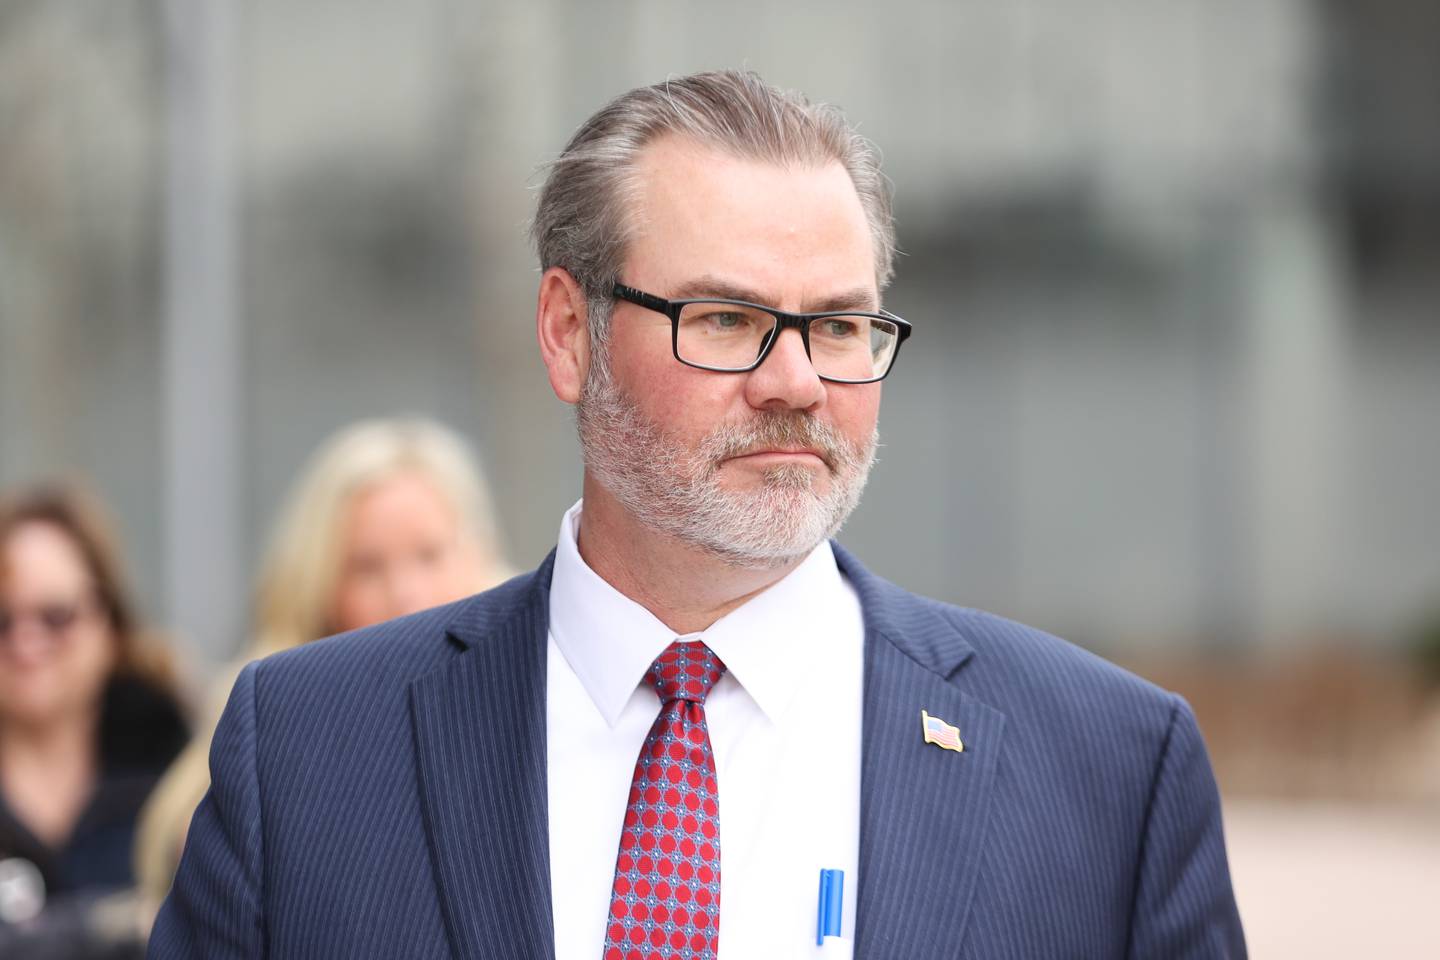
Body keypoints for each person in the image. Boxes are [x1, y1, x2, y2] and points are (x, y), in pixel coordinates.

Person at [150, 71, 1246, 959]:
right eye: (725, 318)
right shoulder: (308, 752)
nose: (796, 383)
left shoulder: (1106, 771)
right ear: (569, 333)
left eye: (839, 325)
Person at [134, 417, 513, 923]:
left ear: (478, 558)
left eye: (430, 555)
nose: (407, 593)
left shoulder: (531, 696)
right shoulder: (264, 716)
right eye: (367, 567)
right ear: (319, 585)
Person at [0, 483, 188, 956]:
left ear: (109, 622)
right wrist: (117, 923)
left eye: (56, 616)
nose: (26, 641)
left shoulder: (181, 770)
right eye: (1, 620)